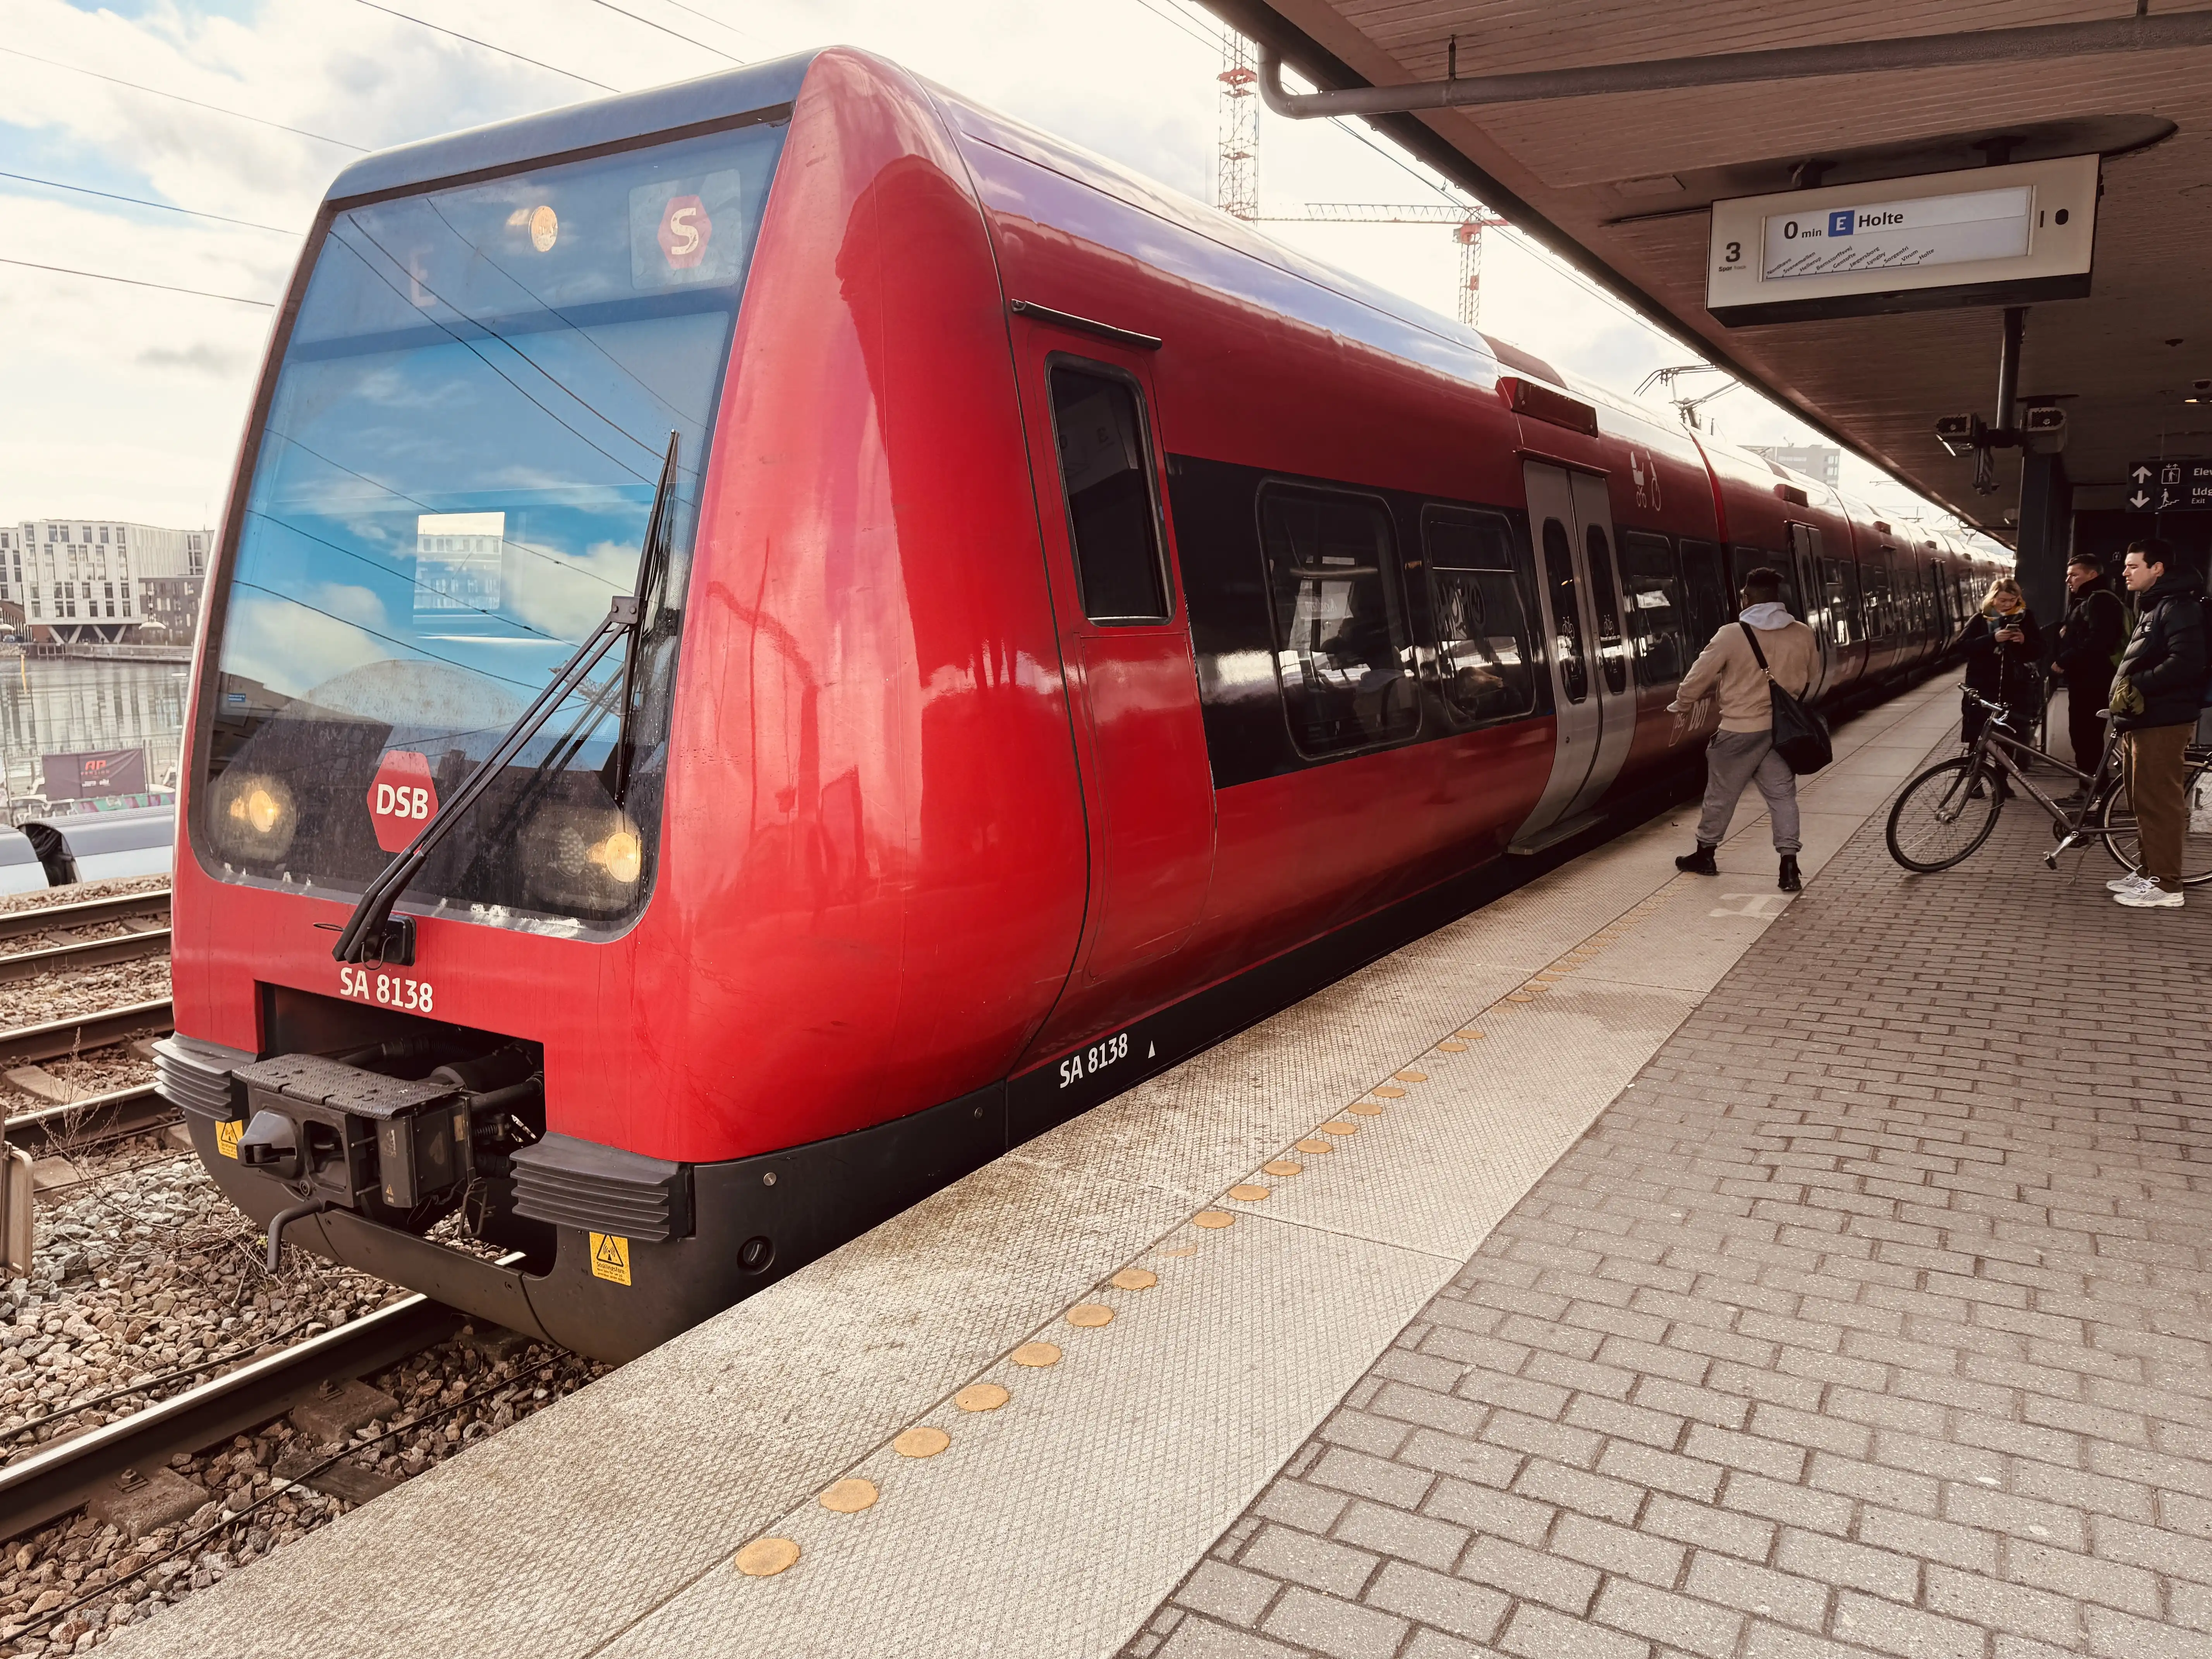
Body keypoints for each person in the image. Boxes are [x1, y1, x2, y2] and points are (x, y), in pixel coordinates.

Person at [1669, 567, 1819, 892]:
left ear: (1747, 598)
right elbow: (1811, 676)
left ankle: (1705, 855)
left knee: (1721, 795)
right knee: (1782, 797)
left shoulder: (1732, 634)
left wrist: (1682, 704)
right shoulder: (1803, 633)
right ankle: (1789, 867)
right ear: (1778, 599)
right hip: (1781, 733)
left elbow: (1698, 678)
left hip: (1739, 731)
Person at [2106, 537, 2207, 909]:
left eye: (2134, 566)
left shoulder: (2178, 607)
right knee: (2142, 800)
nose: (2126, 572)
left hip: (2164, 719)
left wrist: (2137, 685)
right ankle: (2150, 871)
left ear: (2157, 568)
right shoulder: (2158, 605)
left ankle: (2167, 886)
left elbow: (2188, 662)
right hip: (2146, 718)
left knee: (2159, 803)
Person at [2048, 554, 2129, 793]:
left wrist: (2064, 660)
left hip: (2094, 679)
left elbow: (2100, 639)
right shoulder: (2089, 599)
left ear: (2093, 575)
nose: (2068, 580)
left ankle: (2093, 790)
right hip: (2088, 677)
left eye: (2075, 574)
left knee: (2086, 736)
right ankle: (2091, 787)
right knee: (2084, 735)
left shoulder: (2100, 600)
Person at [1957, 578, 2043, 762]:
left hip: (2014, 691)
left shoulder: (2026, 618)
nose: (2007, 605)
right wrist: (1992, 639)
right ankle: (1976, 784)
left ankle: (2002, 782)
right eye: (2003, 600)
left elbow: (2040, 650)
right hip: (1982, 690)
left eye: (2012, 601)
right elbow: (1963, 647)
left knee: (2007, 739)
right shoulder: (1980, 619)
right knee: (1978, 738)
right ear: (1993, 598)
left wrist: (2024, 641)